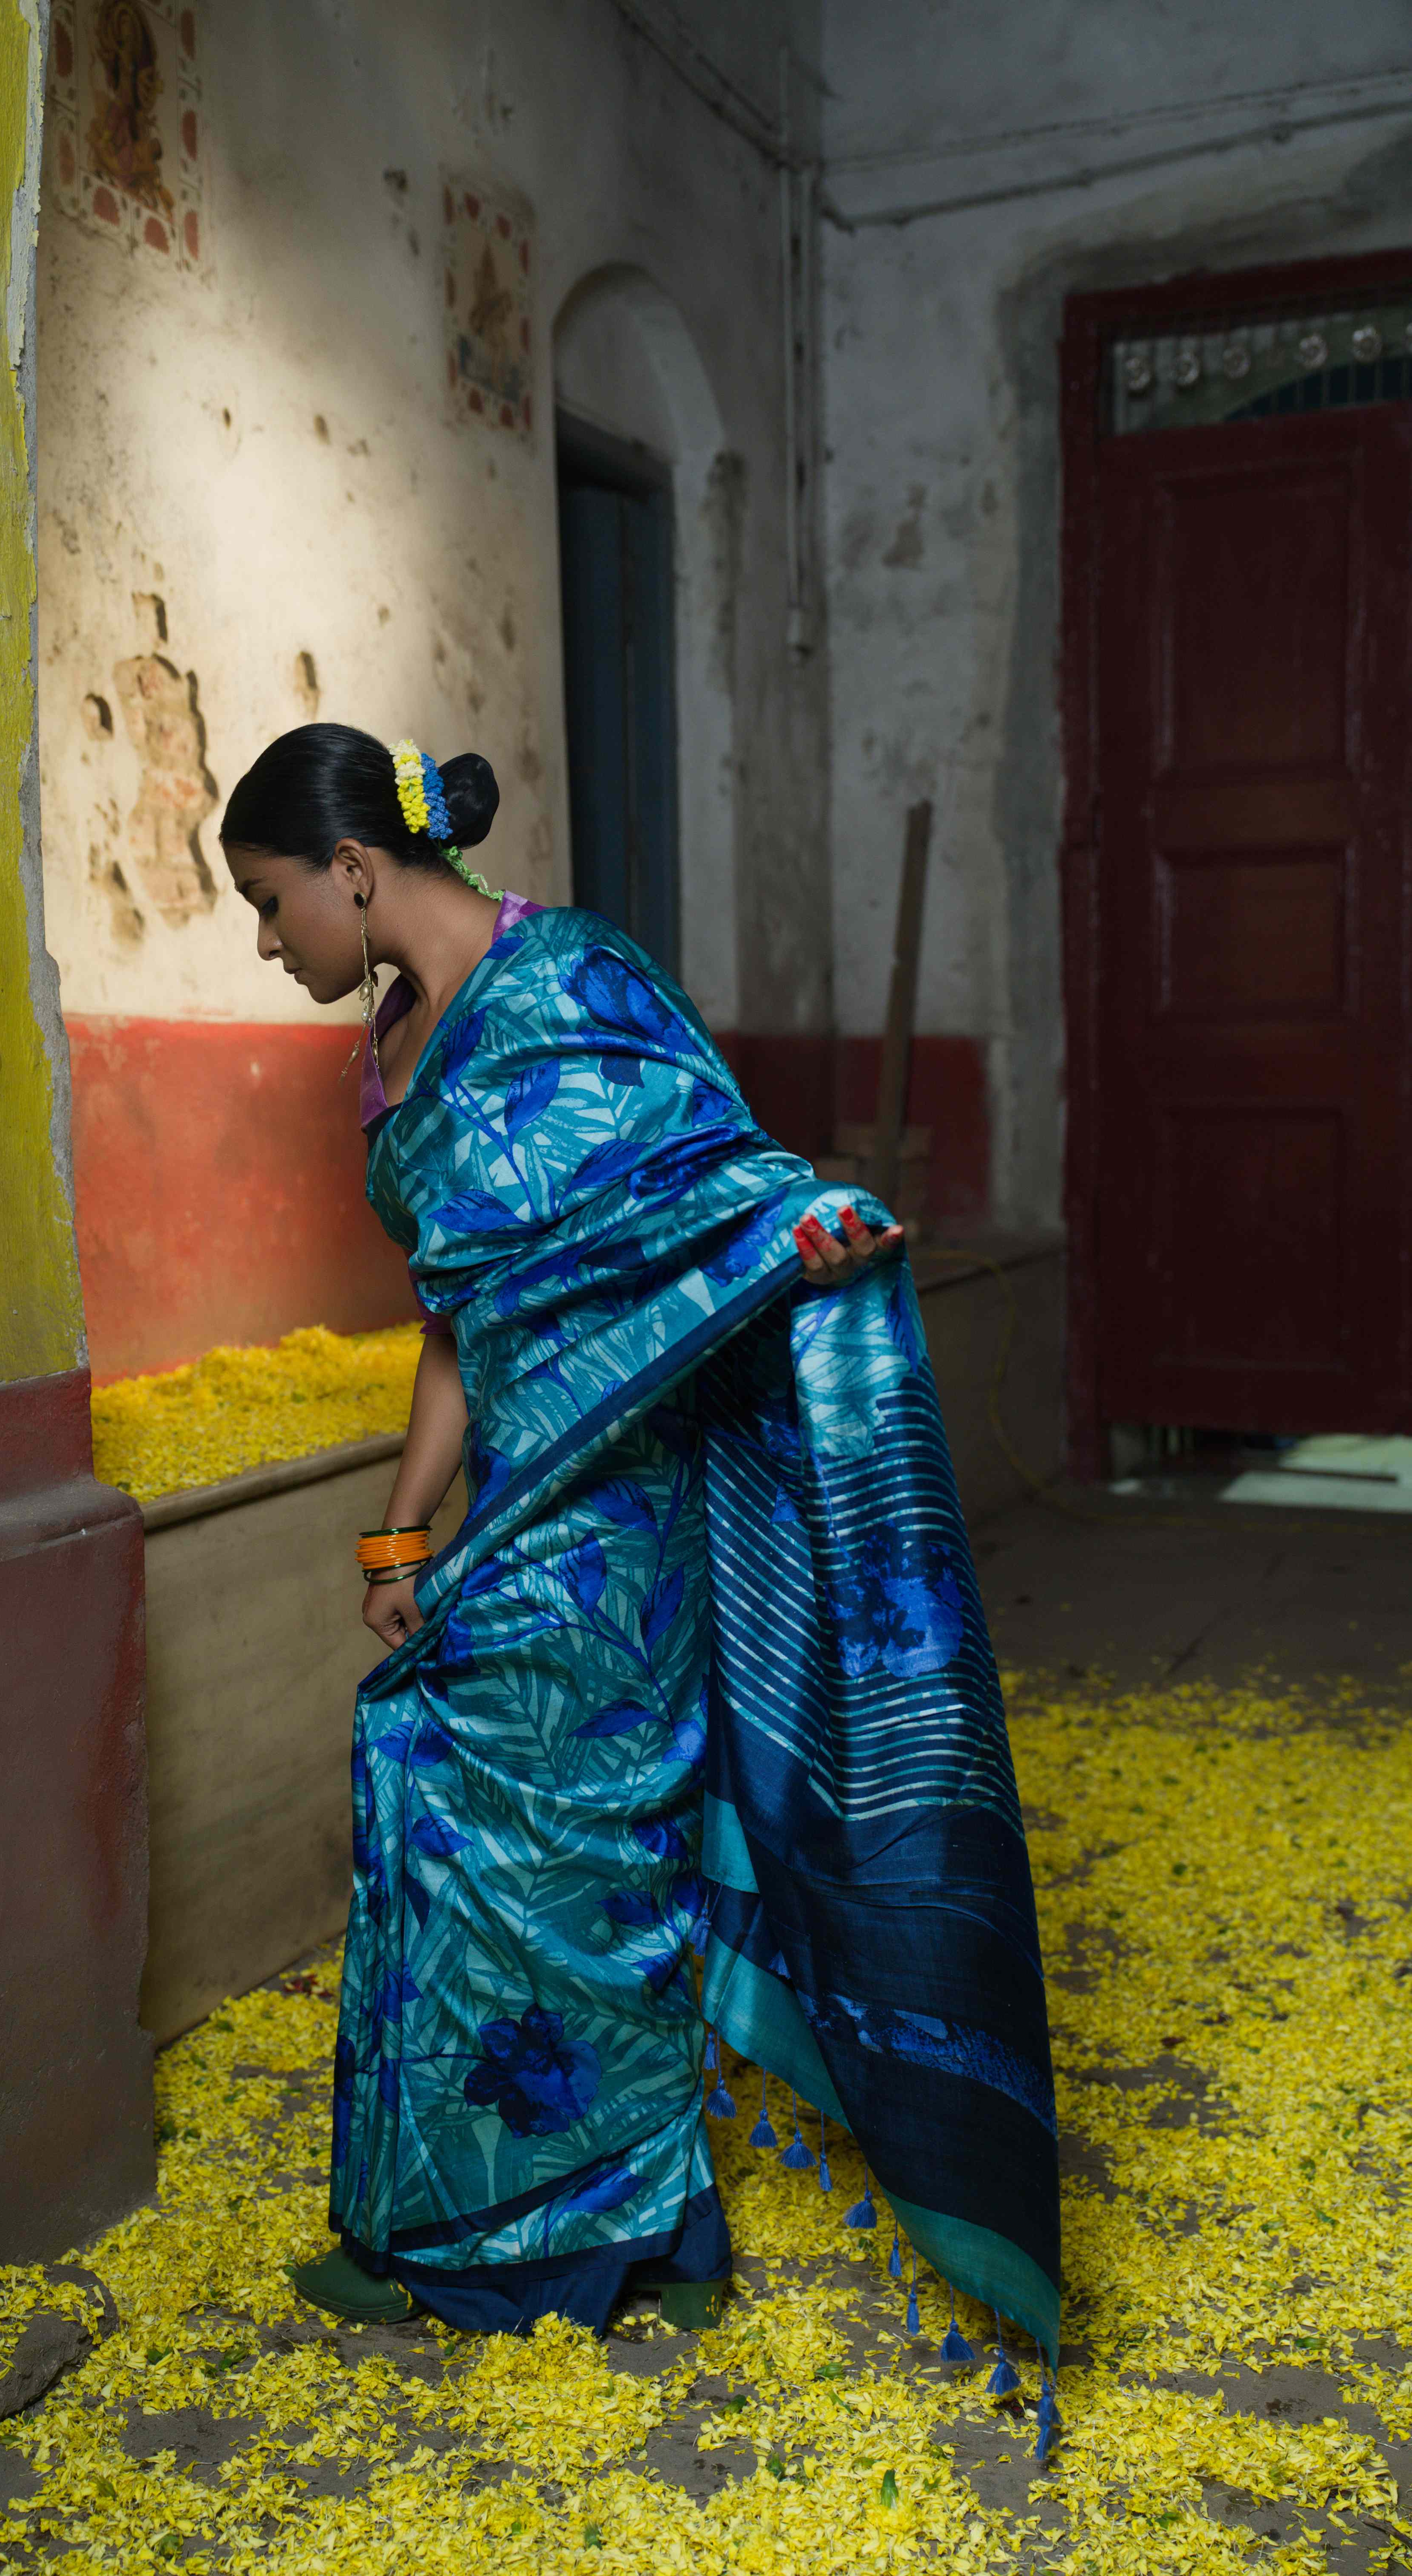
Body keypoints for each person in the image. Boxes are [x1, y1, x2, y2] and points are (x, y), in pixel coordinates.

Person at [219, 724, 1059, 2371]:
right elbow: (463, 1316)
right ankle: (454, 2219)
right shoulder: (399, 1043)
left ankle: (635, 2235)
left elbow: (711, 1190)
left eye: (268, 903)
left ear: (356, 871)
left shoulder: (576, 981)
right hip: (513, 1502)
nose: (268, 944)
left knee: (588, 1860)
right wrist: (402, 1531)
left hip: (620, 1518)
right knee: (438, 1797)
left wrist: (804, 1235)